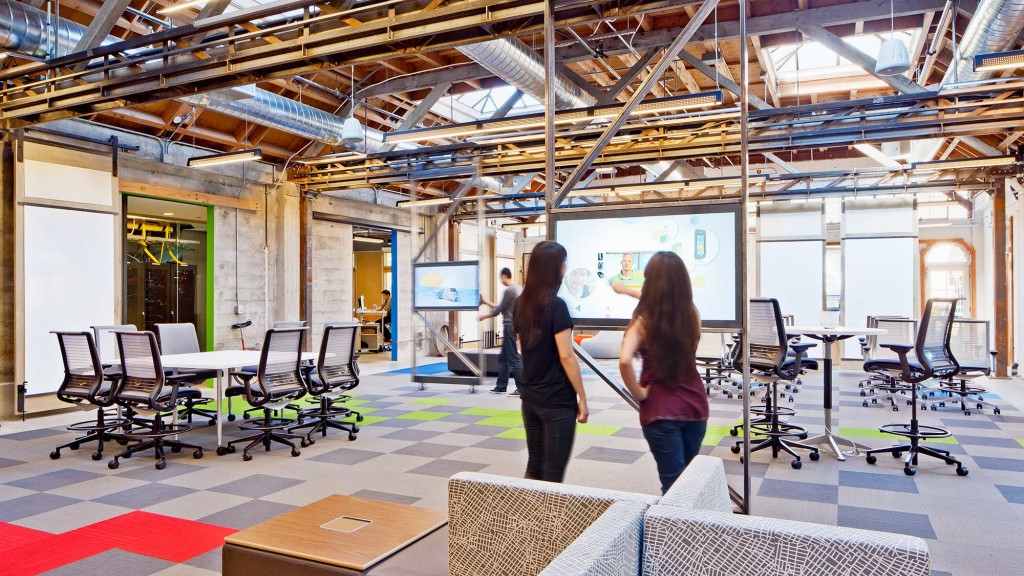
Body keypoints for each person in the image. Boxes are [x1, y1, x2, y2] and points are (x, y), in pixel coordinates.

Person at [618, 251, 708, 494]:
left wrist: (638, 393)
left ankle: (674, 530)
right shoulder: (692, 313)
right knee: (688, 482)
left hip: (660, 409)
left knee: (672, 485)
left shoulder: (643, 321)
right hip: (695, 405)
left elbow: (625, 360)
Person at [514, 241, 589, 483]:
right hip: (557, 401)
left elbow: (522, 349)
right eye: (564, 263)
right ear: (555, 269)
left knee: (534, 467)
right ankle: (546, 520)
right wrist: (582, 398)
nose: (566, 268)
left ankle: (527, 518)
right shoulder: (557, 306)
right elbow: (567, 356)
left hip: (531, 398)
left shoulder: (521, 304)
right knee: (553, 474)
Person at [480, 268, 523, 396]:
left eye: (500, 278)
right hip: (513, 325)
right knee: (503, 358)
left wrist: (483, 316)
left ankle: (521, 388)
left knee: (513, 358)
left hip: (509, 326)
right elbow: (501, 307)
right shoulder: (518, 288)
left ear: (504, 276)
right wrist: (485, 302)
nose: (501, 281)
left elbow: (497, 311)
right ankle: (501, 386)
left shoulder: (509, 290)